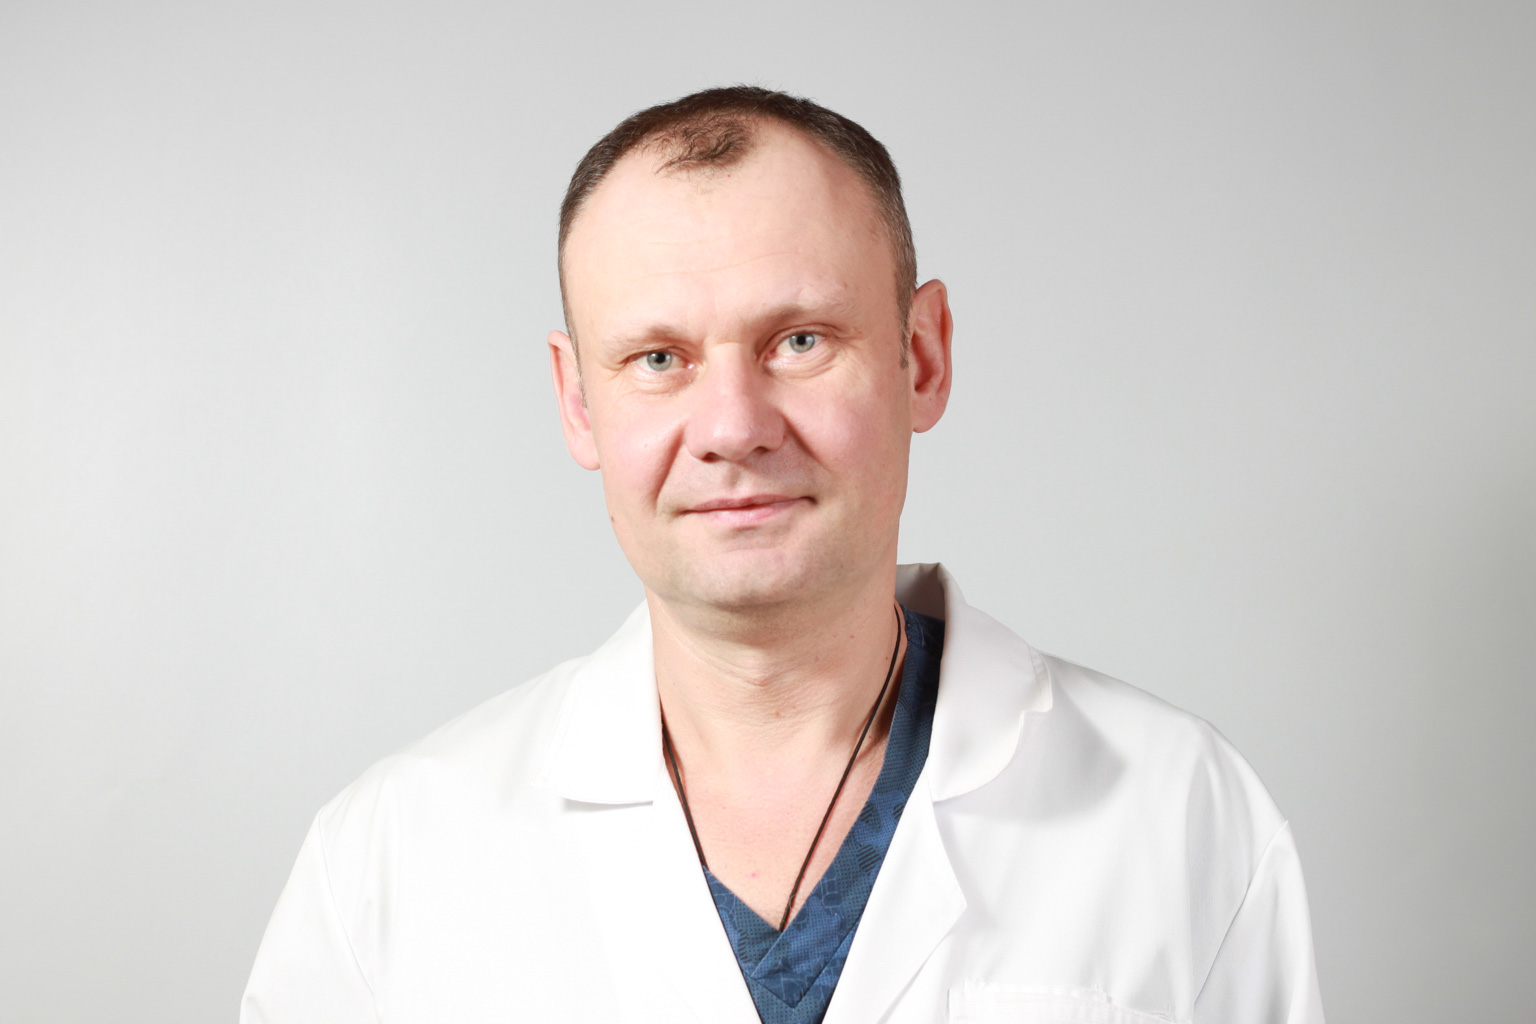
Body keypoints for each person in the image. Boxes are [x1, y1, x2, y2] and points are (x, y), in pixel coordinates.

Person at [242, 87, 1325, 1024]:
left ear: (922, 357)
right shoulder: (388, 864)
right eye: (657, 358)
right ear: (577, 401)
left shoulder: (1179, 815)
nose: (733, 426)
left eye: (799, 341)